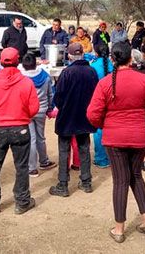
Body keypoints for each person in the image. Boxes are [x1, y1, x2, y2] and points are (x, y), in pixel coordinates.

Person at [87, 41, 145, 243]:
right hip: (138, 135)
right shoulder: (142, 80)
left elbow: (92, 114)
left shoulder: (105, 83)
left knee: (121, 181)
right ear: (131, 58)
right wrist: (141, 116)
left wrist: (106, 122)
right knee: (136, 176)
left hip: (115, 137)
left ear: (113, 59)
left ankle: (119, 229)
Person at [0, 48, 39, 215]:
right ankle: (22, 202)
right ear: (18, 61)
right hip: (20, 128)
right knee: (21, 167)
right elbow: (34, 108)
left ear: (0, 61)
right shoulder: (26, 82)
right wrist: (20, 115)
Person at [49, 43, 99, 197]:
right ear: (82, 54)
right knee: (84, 148)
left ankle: (63, 185)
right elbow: (96, 94)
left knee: (64, 150)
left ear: (69, 56)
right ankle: (86, 182)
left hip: (67, 117)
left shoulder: (67, 73)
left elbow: (58, 97)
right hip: (84, 116)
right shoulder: (91, 72)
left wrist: (61, 106)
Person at [20, 53, 57, 177]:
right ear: (36, 63)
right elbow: (50, 94)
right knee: (41, 137)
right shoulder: (45, 76)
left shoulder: (21, 78)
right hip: (41, 110)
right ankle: (44, 161)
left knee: (31, 139)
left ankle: (32, 168)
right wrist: (50, 108)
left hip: (27, 111)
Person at [90, 42, 114, 169]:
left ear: (96, 53)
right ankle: (111, 157)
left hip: (98, 100)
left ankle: (101, 158)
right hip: (111, 101)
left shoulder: (93, 67)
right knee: (110, 128)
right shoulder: (113, 67)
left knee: (98, 130)